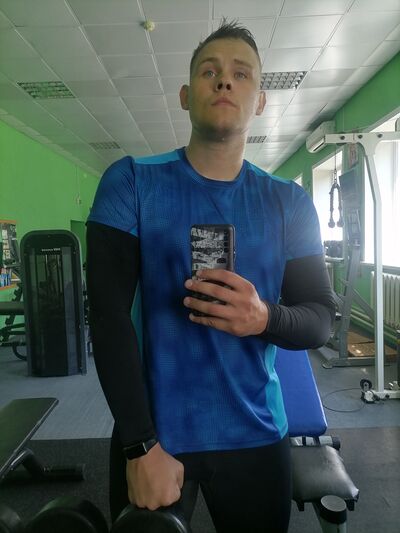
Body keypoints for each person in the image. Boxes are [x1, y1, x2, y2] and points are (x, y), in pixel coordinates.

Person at [86, 20, 335, 533]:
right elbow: (108, 321)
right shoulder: (130, 182)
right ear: (184, 96)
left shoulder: (289, 203)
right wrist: (139, 445)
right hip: (155, 434)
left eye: (241, 74)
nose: (224, 80)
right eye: (209, 71)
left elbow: (320, 320)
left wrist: (263, 317)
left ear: (260, 101)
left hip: (255, 433)